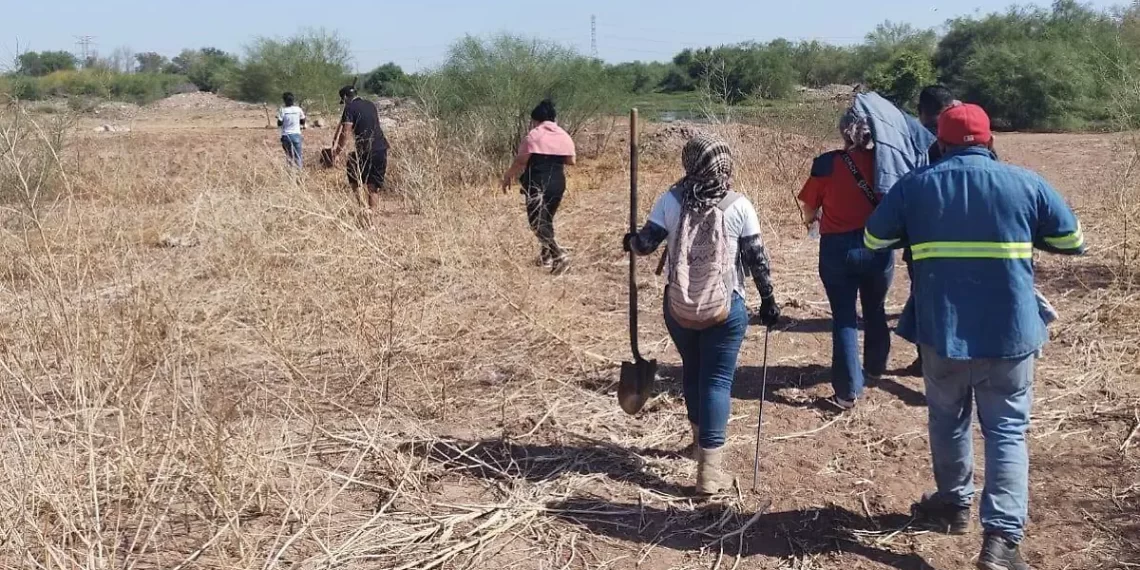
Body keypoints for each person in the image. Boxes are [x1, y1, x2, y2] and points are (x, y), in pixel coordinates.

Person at [864, 104, 1085, 570]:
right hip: (1009, 331)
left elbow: (873, 241)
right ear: (989, 141)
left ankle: (953, 506)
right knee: (1006, 430)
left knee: (947, 419)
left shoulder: (915, 187)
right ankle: (1002, 542)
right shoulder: (1025, 183)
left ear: (938, 143)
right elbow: (1072, 241)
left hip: (940, 331)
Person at [624, 133, 781, 495]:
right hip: (725, 310)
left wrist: (629, 240)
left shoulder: (671, 199)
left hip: (679, 308)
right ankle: (709, 474)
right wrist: (769, 301)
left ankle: (697, 444)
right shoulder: (739, 204)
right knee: (717, 381)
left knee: (693, 372)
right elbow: (757, 259)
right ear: (725, 165)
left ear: (690, 163)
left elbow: (645, 245)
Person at [797, 111, 893, 412]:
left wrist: (812, 222)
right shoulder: (887, 163)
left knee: (844, 317)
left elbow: (809, 207)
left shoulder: (827, 164)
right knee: (875, 309)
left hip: (837, 249)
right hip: (878, 245)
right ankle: (875, 370)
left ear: (843, 133)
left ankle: (847, 392)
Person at [501, 100, 576, 274]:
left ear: (536, 119)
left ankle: (559, 255)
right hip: (558, 182)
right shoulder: (564, 135)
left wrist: (507, 177)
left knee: (536, 223)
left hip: (537, 183)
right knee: (546, 219)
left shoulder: (534, 135)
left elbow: (521, 161)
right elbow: (572, 161)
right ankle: (546, 257)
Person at [329, 85, 389, 212]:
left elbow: (345, 132)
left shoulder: (349, 108)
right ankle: (371, 212)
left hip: (365, 149)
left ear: (345, 97)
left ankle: (362, 207)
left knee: (353, 175)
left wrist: (337, 152)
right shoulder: (370, 104)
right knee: (373, 184)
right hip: (381, 147)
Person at [277, 92, 306, 168]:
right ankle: (299, 175)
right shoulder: (298, 109)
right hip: (296, 135)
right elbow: (303, 120)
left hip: (286, 136)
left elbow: (279, 123)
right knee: (298, 157)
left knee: (289, 157)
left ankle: (290, 174)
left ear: (284, 100)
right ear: (293, 100)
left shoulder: (283, 110)